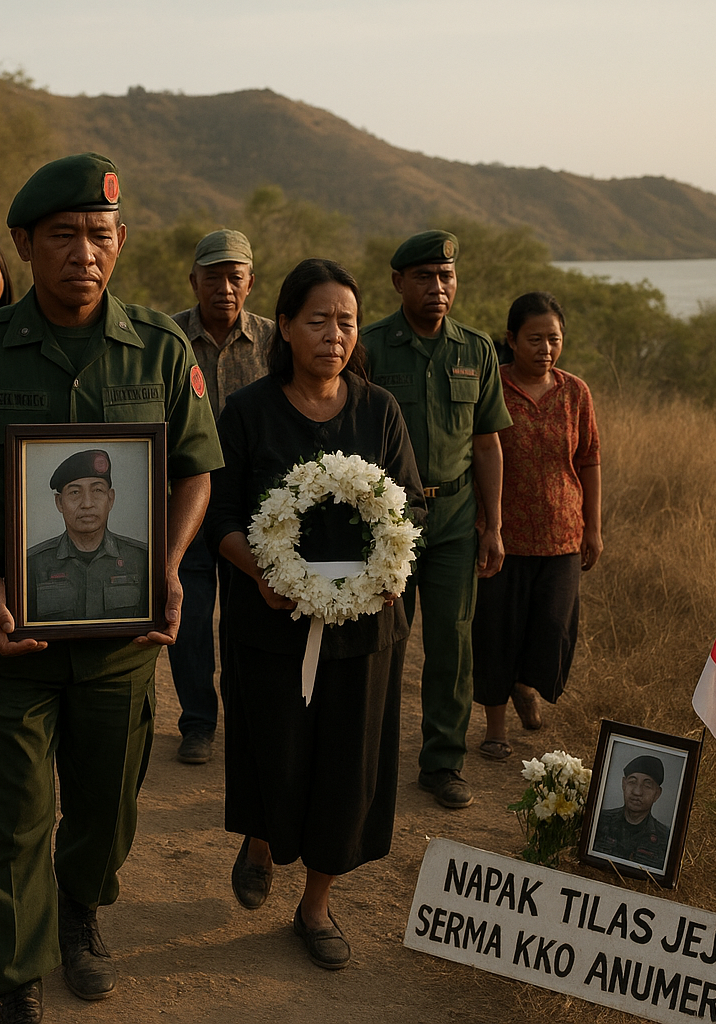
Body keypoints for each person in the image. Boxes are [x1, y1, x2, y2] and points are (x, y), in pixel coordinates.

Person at [0, 153, 222, 1024]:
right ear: (25, 244)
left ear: (121, 244)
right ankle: (17, 979)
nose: (86, 251)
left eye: (102, 236)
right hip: (12, 634)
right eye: (66, 235)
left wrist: (167, 563)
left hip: (120, 637)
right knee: (11, 812)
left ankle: (80, 908)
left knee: (107, 805)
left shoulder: (160, 346)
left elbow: (195, 473)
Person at [207, 258, 425, 970]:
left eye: (347, 321)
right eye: (318, 320)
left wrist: (392, 570)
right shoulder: (246, 413)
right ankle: (264, 837)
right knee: (276, 751)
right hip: (271, 622)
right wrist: (262, 575)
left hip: (364, 631)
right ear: (288, 327)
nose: (334, 334)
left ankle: (317, 905)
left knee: (346, 765)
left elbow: (409, 507)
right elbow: (220, 514)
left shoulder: (379, 410)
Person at [362, 230, 511, 810]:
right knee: (382, 643)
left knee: (451, 641)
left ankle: (442, 761)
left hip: (453, 518)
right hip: (388, 517)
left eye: (446, 276)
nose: (437, 287)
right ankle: (371, 757)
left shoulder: (476, 350)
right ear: (399, 282)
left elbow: (488, 444)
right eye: (424, 276)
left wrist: (493, 526)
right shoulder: (370, 345)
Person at [472, 292, 602, 759]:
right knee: (495, 632)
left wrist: (593, 527)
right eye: (535, 339)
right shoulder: (494, 388)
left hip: (562, 533)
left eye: (554, 339)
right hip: (500, 534)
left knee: (553, 628)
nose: (545, 348)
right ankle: (495, 729)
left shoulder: (575, 391)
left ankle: (527, 685)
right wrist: (486, 525)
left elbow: (588, 459)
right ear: (511, 339)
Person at [168, 229, 275, 765]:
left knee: (246, 615)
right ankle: (197, 723)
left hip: (252, 511)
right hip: (185, 500)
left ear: (251, 283)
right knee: (187, 616)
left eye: (235, 277)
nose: (225, 287)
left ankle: (248, 716)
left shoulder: (276, 342)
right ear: (194, 281)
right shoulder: (168, 340)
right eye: (213, 276)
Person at [27, 448, 149, 622]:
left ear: (111, 499)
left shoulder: (142, 559)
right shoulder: (32, 565)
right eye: (75, 492)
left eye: (97, 491)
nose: (87, 503)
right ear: (59, 502)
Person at [593, 755, 670, 867]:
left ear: (657, 794)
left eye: (647, 785)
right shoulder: (599, 820)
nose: (637, 792)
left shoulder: (665, 839)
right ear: (624, 784)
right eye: (632, 782)